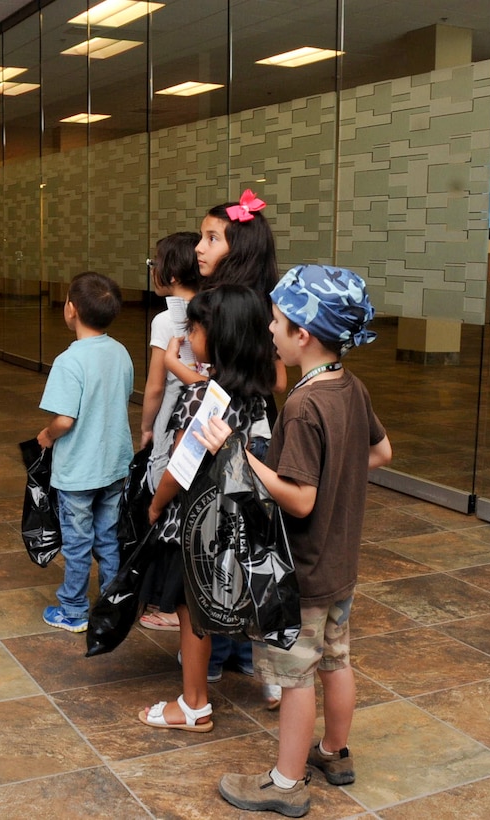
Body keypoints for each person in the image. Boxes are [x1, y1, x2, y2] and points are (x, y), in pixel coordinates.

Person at [204, 265, 392, 817]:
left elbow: (300, 499)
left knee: (295, 674)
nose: (269, 331)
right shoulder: (349, 388)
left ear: (302, 334)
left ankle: (286, 783)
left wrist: (237, 454)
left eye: (277, 322)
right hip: (341, 564)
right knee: (336, 660)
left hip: (304, 570)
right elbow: (382, 453)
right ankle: (334, 752)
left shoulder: (305, 405)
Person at [137, 284, 276, 731]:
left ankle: (193, 703)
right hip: (230, 522)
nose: (190, 335)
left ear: (218, 337)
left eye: (194, 328)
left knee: (188, 610)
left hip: (194, 525)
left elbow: (180, 467)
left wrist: (155, 505)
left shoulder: (203, 396)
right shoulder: (252, 392)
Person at [185, 190, 287, 701]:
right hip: (246, 422)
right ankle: (240, 653)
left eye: (211, 238)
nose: (199, 248)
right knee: (241, 529)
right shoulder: (242, 296)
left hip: (233, 423)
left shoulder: (250, 305)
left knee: (228, 529)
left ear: (239, 245)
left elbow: (280, 375)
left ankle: (236, 653)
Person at [37, 272, 134, 634]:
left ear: (70, 310)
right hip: (114, 464)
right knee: (108, 538)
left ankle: (74, 608)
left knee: (78, 542)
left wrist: (47, 434)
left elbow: (65, 419)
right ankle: (111, 605)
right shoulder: (120, 352)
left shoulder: (69, 361)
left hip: (78, 470)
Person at [138, 232, 201, 632]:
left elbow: (156, 385)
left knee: (164, 499)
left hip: (178, 417)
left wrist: (146, 428)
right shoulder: (216, 307)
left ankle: (165, 603)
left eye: (156, 261)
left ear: (172, 271)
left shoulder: (168, 319)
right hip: (208, 421)